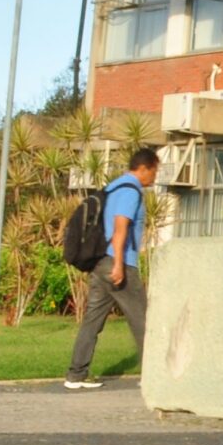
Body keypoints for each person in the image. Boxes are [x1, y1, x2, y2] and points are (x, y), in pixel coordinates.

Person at [64, 146, 158, 389]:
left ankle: (76, 375)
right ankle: (154, 377)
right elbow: (120, 228)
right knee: (142, 318)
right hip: (118, 262)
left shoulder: (113, 187)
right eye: (154, 171)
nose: (155, 177)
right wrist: (118, 264)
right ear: (144, 168)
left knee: (93, 320)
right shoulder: (130, 191)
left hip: (99, 262)